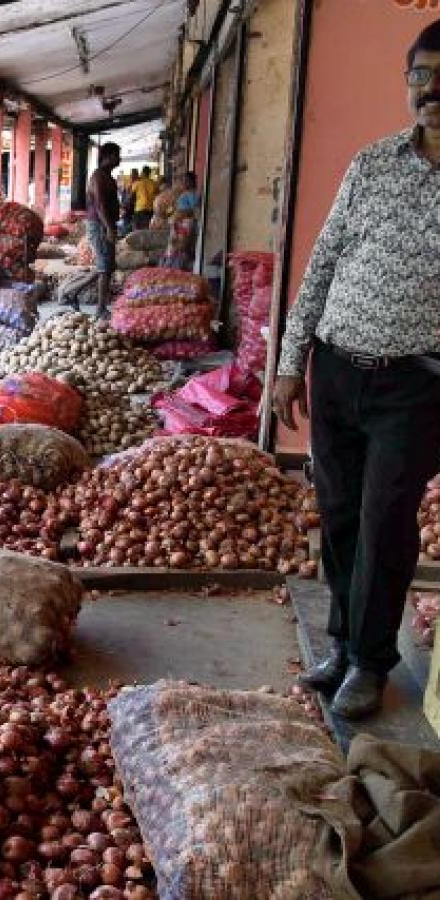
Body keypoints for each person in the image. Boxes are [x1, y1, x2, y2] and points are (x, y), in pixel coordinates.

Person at [273, 19, 440, 720]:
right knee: (339, 513)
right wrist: (291, 361)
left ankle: (372, 662)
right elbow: (322, 262)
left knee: (386, 520)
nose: (432, 91)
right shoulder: (373, 163)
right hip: (337, 370)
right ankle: (342, 645)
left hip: (417, 385)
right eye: (421, 76)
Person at [86, 142, 121, 320]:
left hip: (106, 224)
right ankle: (100, 309)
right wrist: (108, 227)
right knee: (105, 267)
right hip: (100, 226)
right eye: (116, 155)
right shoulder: (98, 176)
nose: (119, 159)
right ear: (107, 157)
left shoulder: (107, 176)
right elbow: (100, 205)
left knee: (107, 266)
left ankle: (76, 292)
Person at [159, 171, 199, 271]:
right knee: (176, 248)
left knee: (179, 249)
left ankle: (176, 269)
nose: (183, 183)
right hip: (181, 225)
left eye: (185, 180)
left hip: (186, 225)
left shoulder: (193, 195)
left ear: (191, 181)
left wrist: (177, 216)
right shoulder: (185, 195)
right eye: (182, 180)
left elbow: (193, 211)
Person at [133, 166, 158, 231]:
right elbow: (157, 194)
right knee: (148, 228)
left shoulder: (138, 183)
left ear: (143, 173)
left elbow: (132, 196)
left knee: (138, 229)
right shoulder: (153, 183)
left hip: (140, 208)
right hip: (150, 209)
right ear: (149, 173)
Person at [119, 168, 138, 236]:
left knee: (132, 227)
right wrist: (122, 207)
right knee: (127, 226)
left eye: (134, 174)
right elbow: (124, 197)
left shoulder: (137, 184)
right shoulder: (128, 185)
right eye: (132, 175)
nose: (133, 176)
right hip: (128, 209)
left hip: (133, 209)